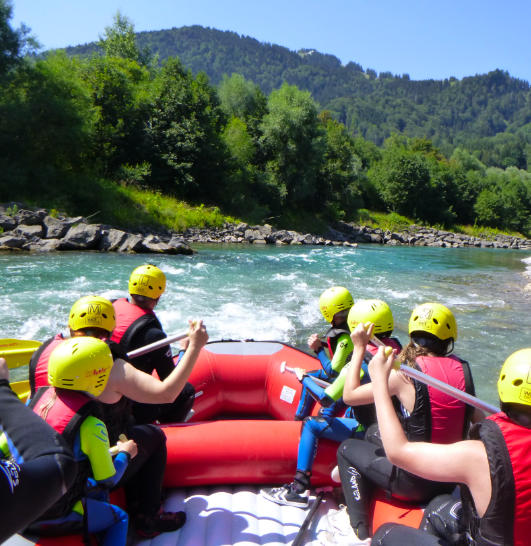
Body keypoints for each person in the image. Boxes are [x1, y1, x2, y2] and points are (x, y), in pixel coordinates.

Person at [28, 294, 209, 537]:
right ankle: (149, 516)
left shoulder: (44, 352)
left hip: (44, 453)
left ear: (71, 327)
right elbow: (167, 394)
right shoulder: (110, 365)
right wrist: (194, 348)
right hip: (89, 461)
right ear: (111, 330)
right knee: (153, 436)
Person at [336, 302, 477, 541]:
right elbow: (473, 416)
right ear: (449, 338)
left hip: (414, 483)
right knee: (372, 432)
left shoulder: (404, 375)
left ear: (412, 334)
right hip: (448, 478)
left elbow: (350, 395)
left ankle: (358, 527)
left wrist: (359, 347)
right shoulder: (463, 370)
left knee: (347, 449)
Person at [369, 347, 531, 546]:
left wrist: (378, 382)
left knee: (385, 533)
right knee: (437, 506)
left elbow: (397, 452)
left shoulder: (478, 455)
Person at [261, 299, 402, 508]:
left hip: (369, 431)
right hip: (393, 431)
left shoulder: (357, 365)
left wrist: (304, 378)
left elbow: (325, 398)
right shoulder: (400, 353)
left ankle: (298, 489)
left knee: (311, 423)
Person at [25, 337, 137, 545]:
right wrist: (125, 453)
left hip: (21, 507)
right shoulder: (91, 425)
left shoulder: (34, 400)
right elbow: (107, 479)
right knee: (120, 518)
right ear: (96, 376)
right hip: (56, 513)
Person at [0, 357, 77, 543]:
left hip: (29, 513)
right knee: (119, 518)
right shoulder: (92, 423)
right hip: (58, 505)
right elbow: (61, 466)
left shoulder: (38, 400)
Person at [111, 264, 196, 424]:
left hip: (103, 391)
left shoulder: (111, 308)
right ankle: (164, 431)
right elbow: (171, 383)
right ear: (158, 296)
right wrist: (186, 351)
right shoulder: (153, 334)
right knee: (186, 391)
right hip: (130, 406)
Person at [295, 286, 354, 421]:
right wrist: (323, 344)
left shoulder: (344, 337)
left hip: (345, 381)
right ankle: (299, 418)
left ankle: (300, 420)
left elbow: (332, 371)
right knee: (311, 375)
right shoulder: (355, 325)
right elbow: (348, 349)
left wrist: (318, 350)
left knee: (308, 378)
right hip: (348, 375)